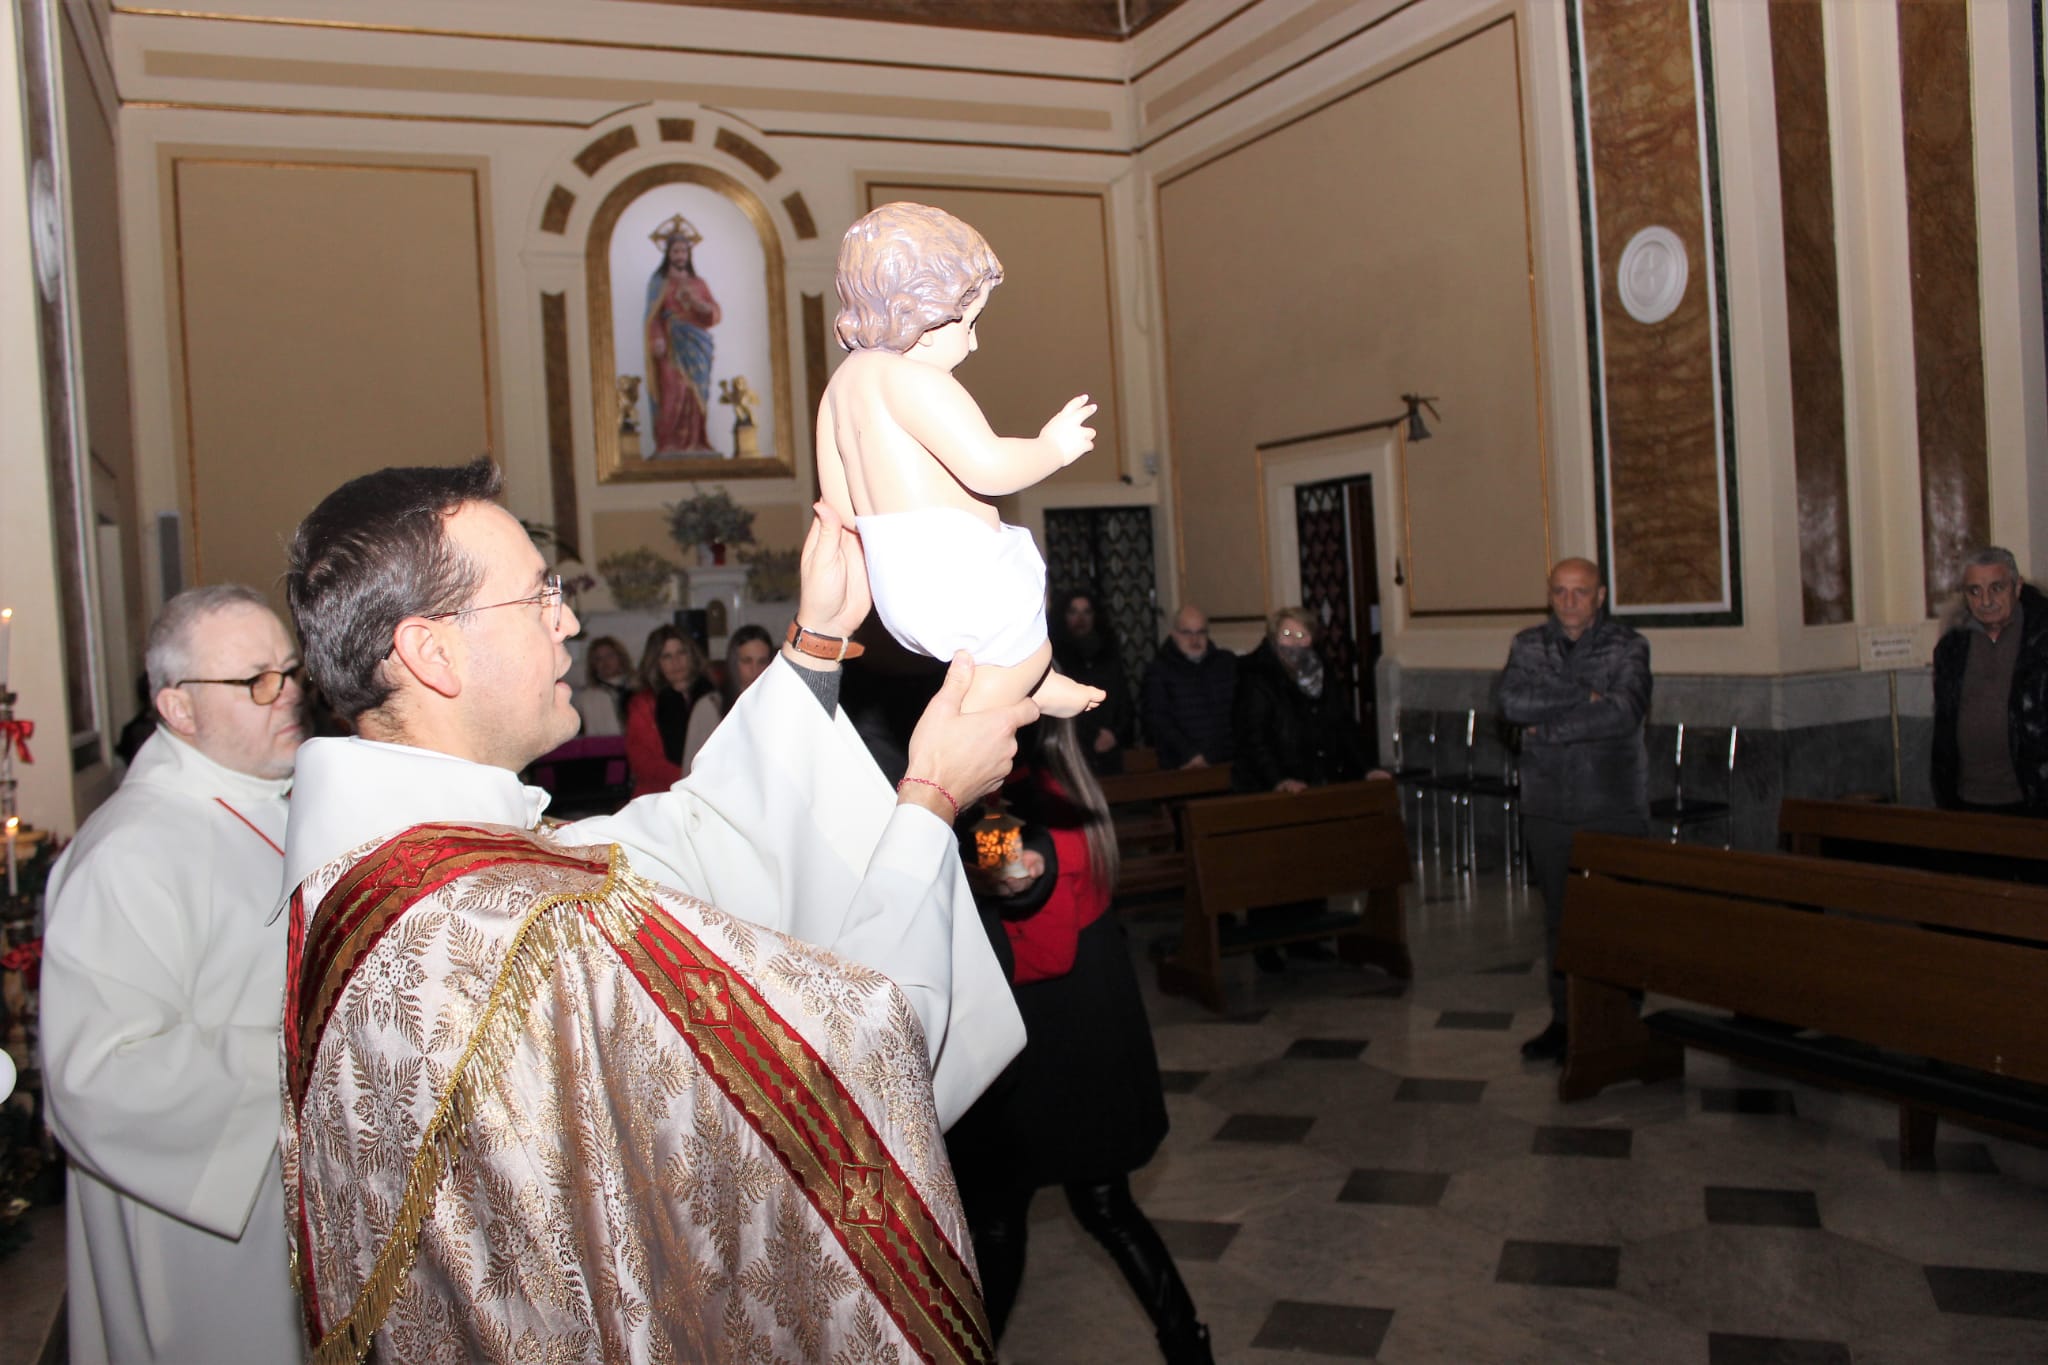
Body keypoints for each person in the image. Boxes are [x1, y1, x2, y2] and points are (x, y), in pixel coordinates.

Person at [279, 459, 1031, 1362]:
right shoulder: (511, 930)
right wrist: (932, 795)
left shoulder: (387, 870)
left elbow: (678, 837)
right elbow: (846, 1062)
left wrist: (818, 640)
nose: (567, 620)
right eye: (538, 596)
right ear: (430, 652)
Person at [39, 584, 308, 1364]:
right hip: (204, 1230)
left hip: (287, 1193)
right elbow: (98, 1074)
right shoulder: (130, 851)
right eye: (256, 680)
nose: (287, 694)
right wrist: (308, 1050)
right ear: (178, 707)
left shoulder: (266, 800)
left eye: (290, 670)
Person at [947, 718, 1213, 1363]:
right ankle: (1188, 1345)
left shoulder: (1015, 801)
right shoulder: (1069, 783)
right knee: (1102, 1205)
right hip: (1090, 1041)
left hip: (1047, 1053)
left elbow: (1026, 899)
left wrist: (1002, 878)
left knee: (1002, 1219)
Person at [817, 200, 1103, 717]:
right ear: (924, 313)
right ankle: (986, 708)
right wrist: (1053, 448)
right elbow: (989, 467)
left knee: (996, 651)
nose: (973, 344)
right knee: (1020, 643)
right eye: (969, 323)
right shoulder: (918, 380)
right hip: (959, 569)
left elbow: (838, 506)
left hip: (896, 589)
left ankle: (1026, 684)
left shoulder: (839, 388)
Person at [1498, 557, 1651, 1062]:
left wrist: (1549, 729)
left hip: (1612, 804)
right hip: (1547, 805)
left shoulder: (1628, 646)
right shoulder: (1528, 645)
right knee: (1560, 921)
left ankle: (1622, 1016)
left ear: (1600, 596)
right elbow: (1512, 704)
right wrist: (1583, 695)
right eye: (1560, 591)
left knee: (1617, 917)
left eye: (1580, 591)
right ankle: (1565, 1021)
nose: (1569, 601)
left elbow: (1623, 711)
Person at [1931, 546, 2048, 815]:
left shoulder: (2041, 639)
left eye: (1996, 588)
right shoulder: (1952, 648)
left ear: (2017, 587)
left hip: (2034, 800)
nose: (1986, 601)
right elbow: (1944, 726)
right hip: (1966, 801)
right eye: (1975, 591)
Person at [1232, 606, 1366, 794]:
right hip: (1272, 787)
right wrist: (1279, 780)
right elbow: (1254, 739)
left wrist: (1367, 768)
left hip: (1321, 780)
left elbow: (1343, 723)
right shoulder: (1256, 677)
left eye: (1302, 635)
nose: (1294, 642)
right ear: (1274, 638)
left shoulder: (1323, 674)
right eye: (1287, 634)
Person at [644, 214, 722, 455]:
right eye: (675, 251)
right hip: (671, 344)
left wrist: (698, 304)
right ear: (668, 254)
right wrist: (656, 338)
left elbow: (714, 314)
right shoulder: (659, 283)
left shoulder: (699, 283)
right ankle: (669, 443)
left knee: (696, 393)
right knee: (672, 390)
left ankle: (697, 441)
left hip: (697, 344)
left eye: (683, 251)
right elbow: (652, 316)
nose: (680, 256)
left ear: (689, 255)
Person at [623, 625, 719, 796]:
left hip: (709, 788)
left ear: (691, 655)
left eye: (681, 653)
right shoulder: (642, 704)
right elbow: (642, 763)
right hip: (659, 794)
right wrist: (688, 777)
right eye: (667, 656)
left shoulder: (712, 696)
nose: (676, 662)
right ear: (656, 662)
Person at [1050, 587, 1135, 775]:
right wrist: (1090, 736)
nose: (1080, 619)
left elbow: (1123, 703)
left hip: (1109, 755)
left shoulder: (1108, 658)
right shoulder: (1055, 661)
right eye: (1073, 612)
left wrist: (1114, 734)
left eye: (1087, 612)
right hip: (1070, 753)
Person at [1141, 604, 1236, 770]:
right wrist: (1190, 754)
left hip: (1225, 761)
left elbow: (1236, 712)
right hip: (1180, 764)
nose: (1194, 640)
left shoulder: (1226, 664)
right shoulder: (1159, 670)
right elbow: (1158, 720)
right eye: (1187, 633)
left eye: (1201, 632)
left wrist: (1215, 754)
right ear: (1174, 634)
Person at [571, 633, 634, 737]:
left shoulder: (636, 689)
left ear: (621, 658)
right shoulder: (585, 698)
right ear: (593, 665)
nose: (605, 662)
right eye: (598, 659)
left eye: (610, 656)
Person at [723, 621, 776, 707]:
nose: (755, 669)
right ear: (734, 663)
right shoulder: (713, 705)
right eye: (747, 661)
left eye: (762, 662)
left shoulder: (780, 702)